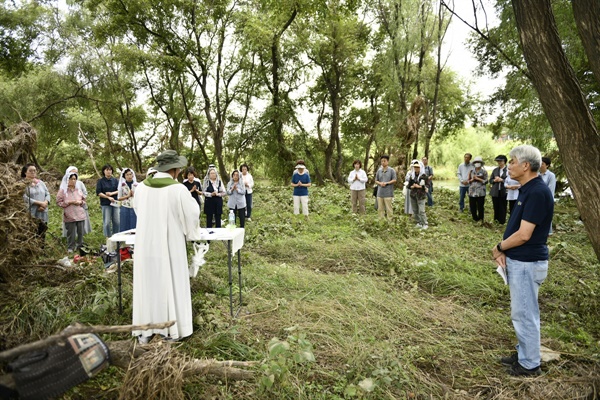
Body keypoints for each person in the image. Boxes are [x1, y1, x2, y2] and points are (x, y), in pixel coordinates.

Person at [492, 144, 554, 376]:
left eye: (512, 161)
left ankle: (529, 364)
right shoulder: (527, 189)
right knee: (522, 311)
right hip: (521, 261)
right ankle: (524, 352)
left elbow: (524, 234)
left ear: (526, 165)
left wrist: (499, 247)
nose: (508, 165)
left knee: (525, 313)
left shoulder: (537, 192)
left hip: (528, 263)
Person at [132, 150, 203, 343]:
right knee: (170, 283)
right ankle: (173, 331)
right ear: (175, 169)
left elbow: (138, 210)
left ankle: (146, 332)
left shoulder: (141, 188)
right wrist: (191, 232)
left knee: (149, 286)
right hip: (170, 246)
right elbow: (192, 214)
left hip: (146, 245)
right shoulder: (178, 190)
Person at [56, 172, 86, 253]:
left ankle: (80, 246)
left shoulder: (78, 190)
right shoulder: (63, 191)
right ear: (67, 180)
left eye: (74, 179)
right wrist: (69, 202)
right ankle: (71, 247)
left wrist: (80, 202)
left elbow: (84, 200)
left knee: (80, 231)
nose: (73, 181)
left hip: (80, 214)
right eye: (71, 179)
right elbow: (58, 202)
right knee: (71, 232)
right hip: (70, 214)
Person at [21, 163, 50, 242]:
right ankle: (32, 251)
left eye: (34, 170)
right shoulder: (22, 184)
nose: (33, 172)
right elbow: (24, 197)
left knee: (42, 231)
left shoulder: (41, 183)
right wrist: (39, 203)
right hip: (31, 211)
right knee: (31, 232)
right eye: (30, 171)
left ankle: (41, 250)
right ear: (25, 172)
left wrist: (45, 203)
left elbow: (47, 194)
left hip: (43, 210)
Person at [60, 166, 92, 237]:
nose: (74, 173)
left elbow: (85, 193)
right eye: (72, 172)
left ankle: (80, 238)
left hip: (79, 205)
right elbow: (61, 197)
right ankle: (71, 238)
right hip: (69, 207)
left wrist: (80, 200)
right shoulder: (64, 184)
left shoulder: (80, 183)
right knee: (70, 223)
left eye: (76, 172)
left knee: (81, 222)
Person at [96, 164, 120, 237]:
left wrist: (112, 193)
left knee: (117, 221)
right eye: (107, 170)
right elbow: (99, 192)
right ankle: (108, 237)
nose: (109, 171)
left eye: (110, 170)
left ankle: (116, 236)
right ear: (104, 171)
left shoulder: (115, 180)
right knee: (107, 222)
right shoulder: (100, 181)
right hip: (105, 203)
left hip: (115, 203)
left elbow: (119, 190)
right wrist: (108, 197)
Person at [407, 159, 429, 229]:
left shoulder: (424, 176)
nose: (416, 169)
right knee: (415, 210)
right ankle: (418, 222)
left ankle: (425, 223)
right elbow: (409, 185)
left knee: (421, 210)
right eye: (415, 167)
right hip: (413, 195)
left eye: (418, 167)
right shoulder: (412, 176)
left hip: (421, 195)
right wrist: (412, 186)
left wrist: (419, 186)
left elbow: (427, 185)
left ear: (421, 167)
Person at [374, 155, 397, 220]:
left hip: (388, 192)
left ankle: (390, 220)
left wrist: (387, 183)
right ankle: (381, 220)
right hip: (380, 192)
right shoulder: (379, 170)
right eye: (382, 161)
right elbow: (376, 180)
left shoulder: (391, 170)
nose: (383, 162)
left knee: (389, 208)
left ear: (387, 162)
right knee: (380, 208)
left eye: (384, 161)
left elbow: (394, 179)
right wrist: (380, 183)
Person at [489, 155, 508, 224]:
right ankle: (496, 220)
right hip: (495, 190)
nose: (499, 162)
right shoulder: (495, 170)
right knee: (495, 206)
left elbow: (511, 180)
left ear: (504, 161)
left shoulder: (508, 170)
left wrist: (501, 180)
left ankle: (502, 221)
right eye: (498, 161)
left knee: (503, 206)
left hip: (504, 190)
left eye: (501, 161)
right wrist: (495, 180)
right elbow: (490, 180)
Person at [468, 156, 488, 222]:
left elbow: (486, 181)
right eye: (476, 162)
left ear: (481, 163)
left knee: (480, 207)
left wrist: (478, 179)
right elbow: (468, 181)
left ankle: (481, 219)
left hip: (481, 192)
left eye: (478, 162)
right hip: (472, 192)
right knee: (472, 207)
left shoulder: (484, 172)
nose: (477, 163)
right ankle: (475, 219)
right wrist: (472, 179)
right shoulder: (471, 171)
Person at [539, 157, 556, 235]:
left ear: (547, 165)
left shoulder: (551, 175)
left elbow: (550, 189)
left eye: (542, 163)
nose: (540, 165)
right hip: (538, 198)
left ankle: (548, 232)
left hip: (547, 198)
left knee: (546, 216)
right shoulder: (537, 175)